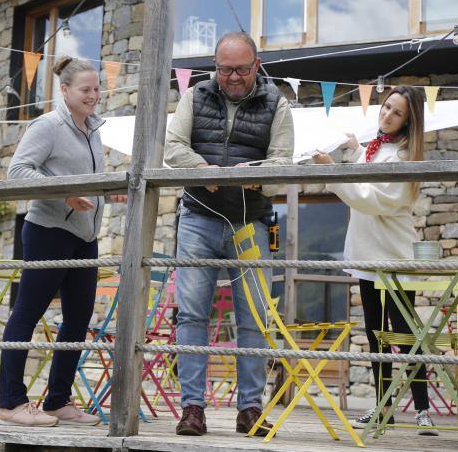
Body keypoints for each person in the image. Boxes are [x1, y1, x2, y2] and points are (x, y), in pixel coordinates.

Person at [164, 31, 294, 437]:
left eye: (240, 68)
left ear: (257, 65)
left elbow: (283, 164)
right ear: (214, 66)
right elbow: (172, 148)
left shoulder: (278, 102)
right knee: (191, 314)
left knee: (254, 317)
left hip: (251, 220)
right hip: (198, 216)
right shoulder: (195, 95)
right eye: (224, 69)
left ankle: (251, 409)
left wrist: (254, 177)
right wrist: (205, 170)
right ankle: (192, 408)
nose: (232, 77)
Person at [0, 56, 124, 427]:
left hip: (85, 236)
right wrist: (66, 195)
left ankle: (56, 400)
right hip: (47, 233)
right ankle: (10, 403)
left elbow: (86, 181)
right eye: (86, 90)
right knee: (27, 312)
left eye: (97, 88)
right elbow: (18, 171)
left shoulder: (93, 130)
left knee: (78, 319)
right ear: (64, 91)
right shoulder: (48, 125)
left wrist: (108, 192)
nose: (94, 95)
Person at [312, 85, 438, 435]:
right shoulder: (374, 149)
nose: (386, 115)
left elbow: (372, 199)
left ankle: (423, 409)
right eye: (386, 107)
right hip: (367, 254)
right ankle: (384, 408)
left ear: (409, 121)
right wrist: (354, 151)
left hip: (394, 257)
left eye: (396, 112)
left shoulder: (403, 158)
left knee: (404, 333)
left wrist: (332, 173)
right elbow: (364, 182)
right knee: (374, 333)